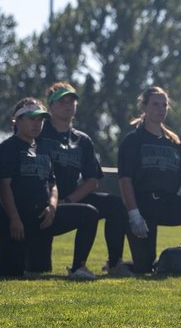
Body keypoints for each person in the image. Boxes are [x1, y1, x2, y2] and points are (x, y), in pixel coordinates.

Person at [0, 99, 100, 279]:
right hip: (15, 220)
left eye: (40, 119)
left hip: (41, 217)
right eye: (32, 119)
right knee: (11, 272)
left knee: (89, 213)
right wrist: (15, 219)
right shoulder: (7, 148)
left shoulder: (43, 147)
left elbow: (52, 184)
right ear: (17, 120)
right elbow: (4, 187)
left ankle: (78, 268)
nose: (37, 124)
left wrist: (52, 208)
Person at [117, 87, 181, 275]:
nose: (161, 109)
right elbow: (125, 180)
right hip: (144, 206)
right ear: (144, 106)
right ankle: (118, 264)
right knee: (144, 267)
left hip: (169, 203)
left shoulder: (174, 141)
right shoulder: (133, 140)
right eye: (155, 104)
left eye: (164, 105)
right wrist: (134, 214)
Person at [39, 82, 131, 277]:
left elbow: (92, 180)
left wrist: (68, 201)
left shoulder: (82, 140)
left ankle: (111, 264)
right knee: (36, 268)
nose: (68, 105)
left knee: (114, 204)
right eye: (62, 101)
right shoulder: (38, 133)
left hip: (70, 199)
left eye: (71, 101)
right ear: (50, 106)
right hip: (40, 203)